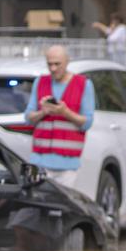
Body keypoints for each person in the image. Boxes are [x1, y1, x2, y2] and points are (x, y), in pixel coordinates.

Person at [22, 44, 95, 173]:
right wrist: (43, 112)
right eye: (49, 64)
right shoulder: (40, 82)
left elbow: (87, 123)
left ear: (67, 61)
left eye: (57, 64)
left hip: (67, 164)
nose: (53, 68)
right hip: (39, 162)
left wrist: (64, 112)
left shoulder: (83, 84)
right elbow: (28, 118)